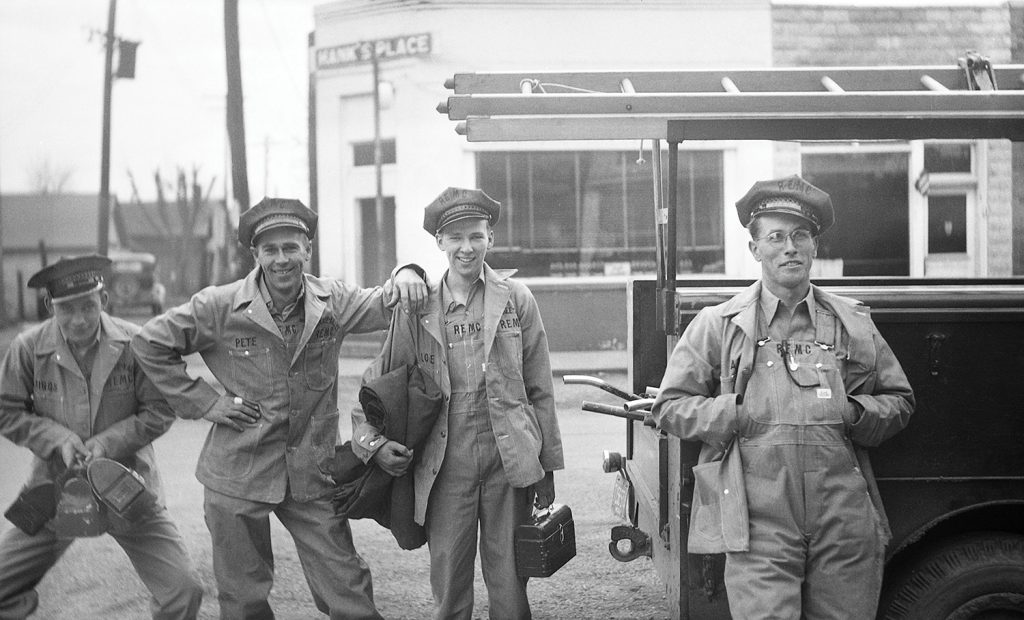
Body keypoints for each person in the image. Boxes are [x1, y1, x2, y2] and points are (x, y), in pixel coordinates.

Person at [130, 197, 428, 620]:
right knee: (242, 596)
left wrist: (407, 270)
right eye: (270, 250)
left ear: (307, 249)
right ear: (255, 255)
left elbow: (387, 301)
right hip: (237, 471)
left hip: (312, 468)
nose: (282, 259)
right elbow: (149, 343)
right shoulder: (219, 305)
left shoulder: (332, 301)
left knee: (347, 586)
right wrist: (206, 402)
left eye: (291, 247)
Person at [652, 175, 915, 619]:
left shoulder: (852, 323)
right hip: (758, 518)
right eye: (775, 237)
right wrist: (738, 410)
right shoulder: (720, 324)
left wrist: (853, 411)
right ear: (755, 250)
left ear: (814, 246)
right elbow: (670, 407)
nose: (789, 247)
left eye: (800, 235)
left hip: (843, 516)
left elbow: (899, 400)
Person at [351, 187, 564, 620]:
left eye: (476, 236)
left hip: (510, 461)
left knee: (509, 583)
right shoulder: (417, 306)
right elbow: (378, 384)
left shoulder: (516, 299)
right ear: (439, 243)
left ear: (491, 239)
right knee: (449, 583)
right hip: (446, 466)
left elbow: (539, 387)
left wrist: (547, 467)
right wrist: (369, 442)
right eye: (455, 238)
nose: (467, 247)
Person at [0, 255, 203, 619]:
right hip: (52, 490)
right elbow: (7, 411)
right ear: (50, 306)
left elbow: (159, 410)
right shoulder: (27, 348)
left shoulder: (136, 343)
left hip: (127, 489)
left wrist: (107, 443)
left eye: (88, 307)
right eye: (66, 309)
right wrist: (57, 438)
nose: (78, 319)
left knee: (184, 591)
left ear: (104, 301)